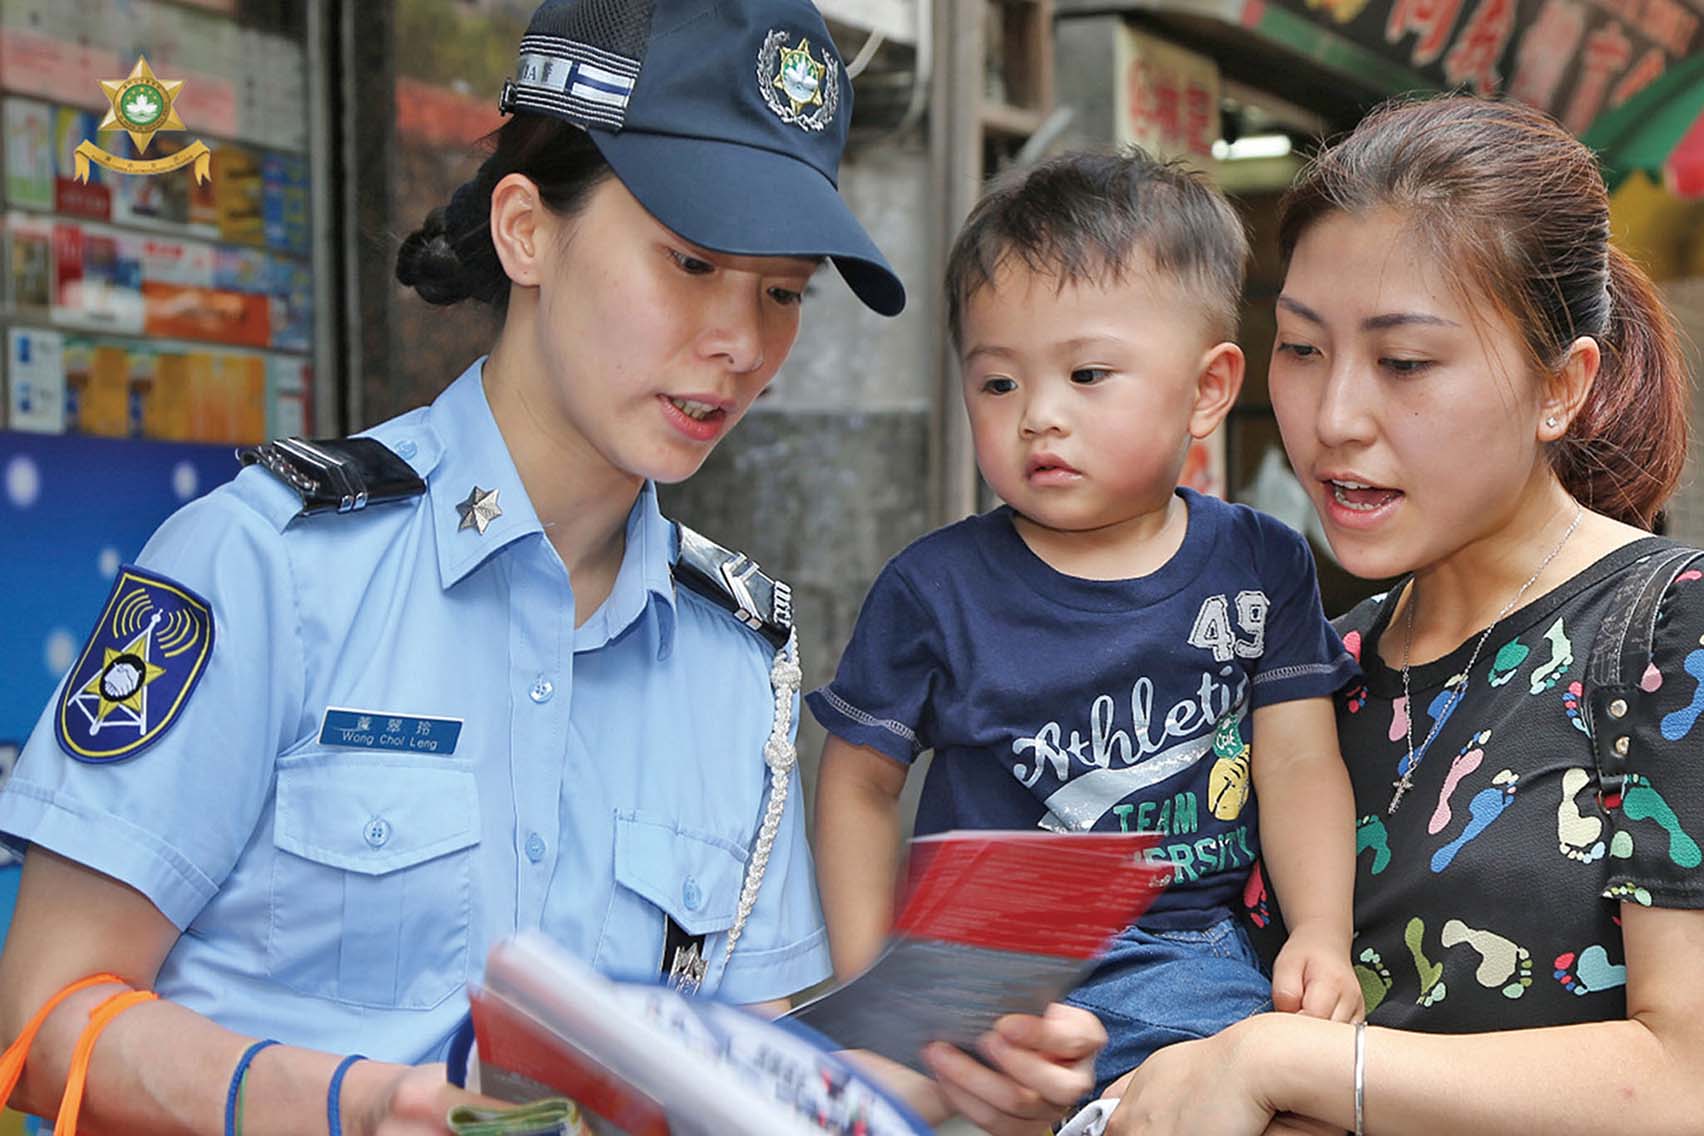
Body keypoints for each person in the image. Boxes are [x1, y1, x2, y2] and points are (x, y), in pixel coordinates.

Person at [0, 2, 1104, 1133]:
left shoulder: (735, 658)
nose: (741, 341)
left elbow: (741, 1065)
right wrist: (358, 1104)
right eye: (691, 260)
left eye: (782, 291)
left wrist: (948, 1081)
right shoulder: (264, 565)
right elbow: (41, 1013)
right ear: (527, 230)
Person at [1103, 94, 1704, 1135]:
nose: (1334, 418)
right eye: (1299, 347)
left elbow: (1685, 1075)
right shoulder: (1304, 667)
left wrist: (1285, 1059)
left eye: (1406, 362)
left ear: (1561, 386)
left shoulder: (1667, 632)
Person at [807, 149, 1364, 1100]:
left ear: (1207, 389)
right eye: (998, 384)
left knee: (1259, 1091)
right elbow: (857, 783)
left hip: (1178, 957)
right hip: (979, 960)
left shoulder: (1261, 563)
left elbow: (1301, 761)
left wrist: (1319, 931)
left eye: (1089, 373)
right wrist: (872, 985)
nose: (1039, 418)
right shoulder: (933, 588)